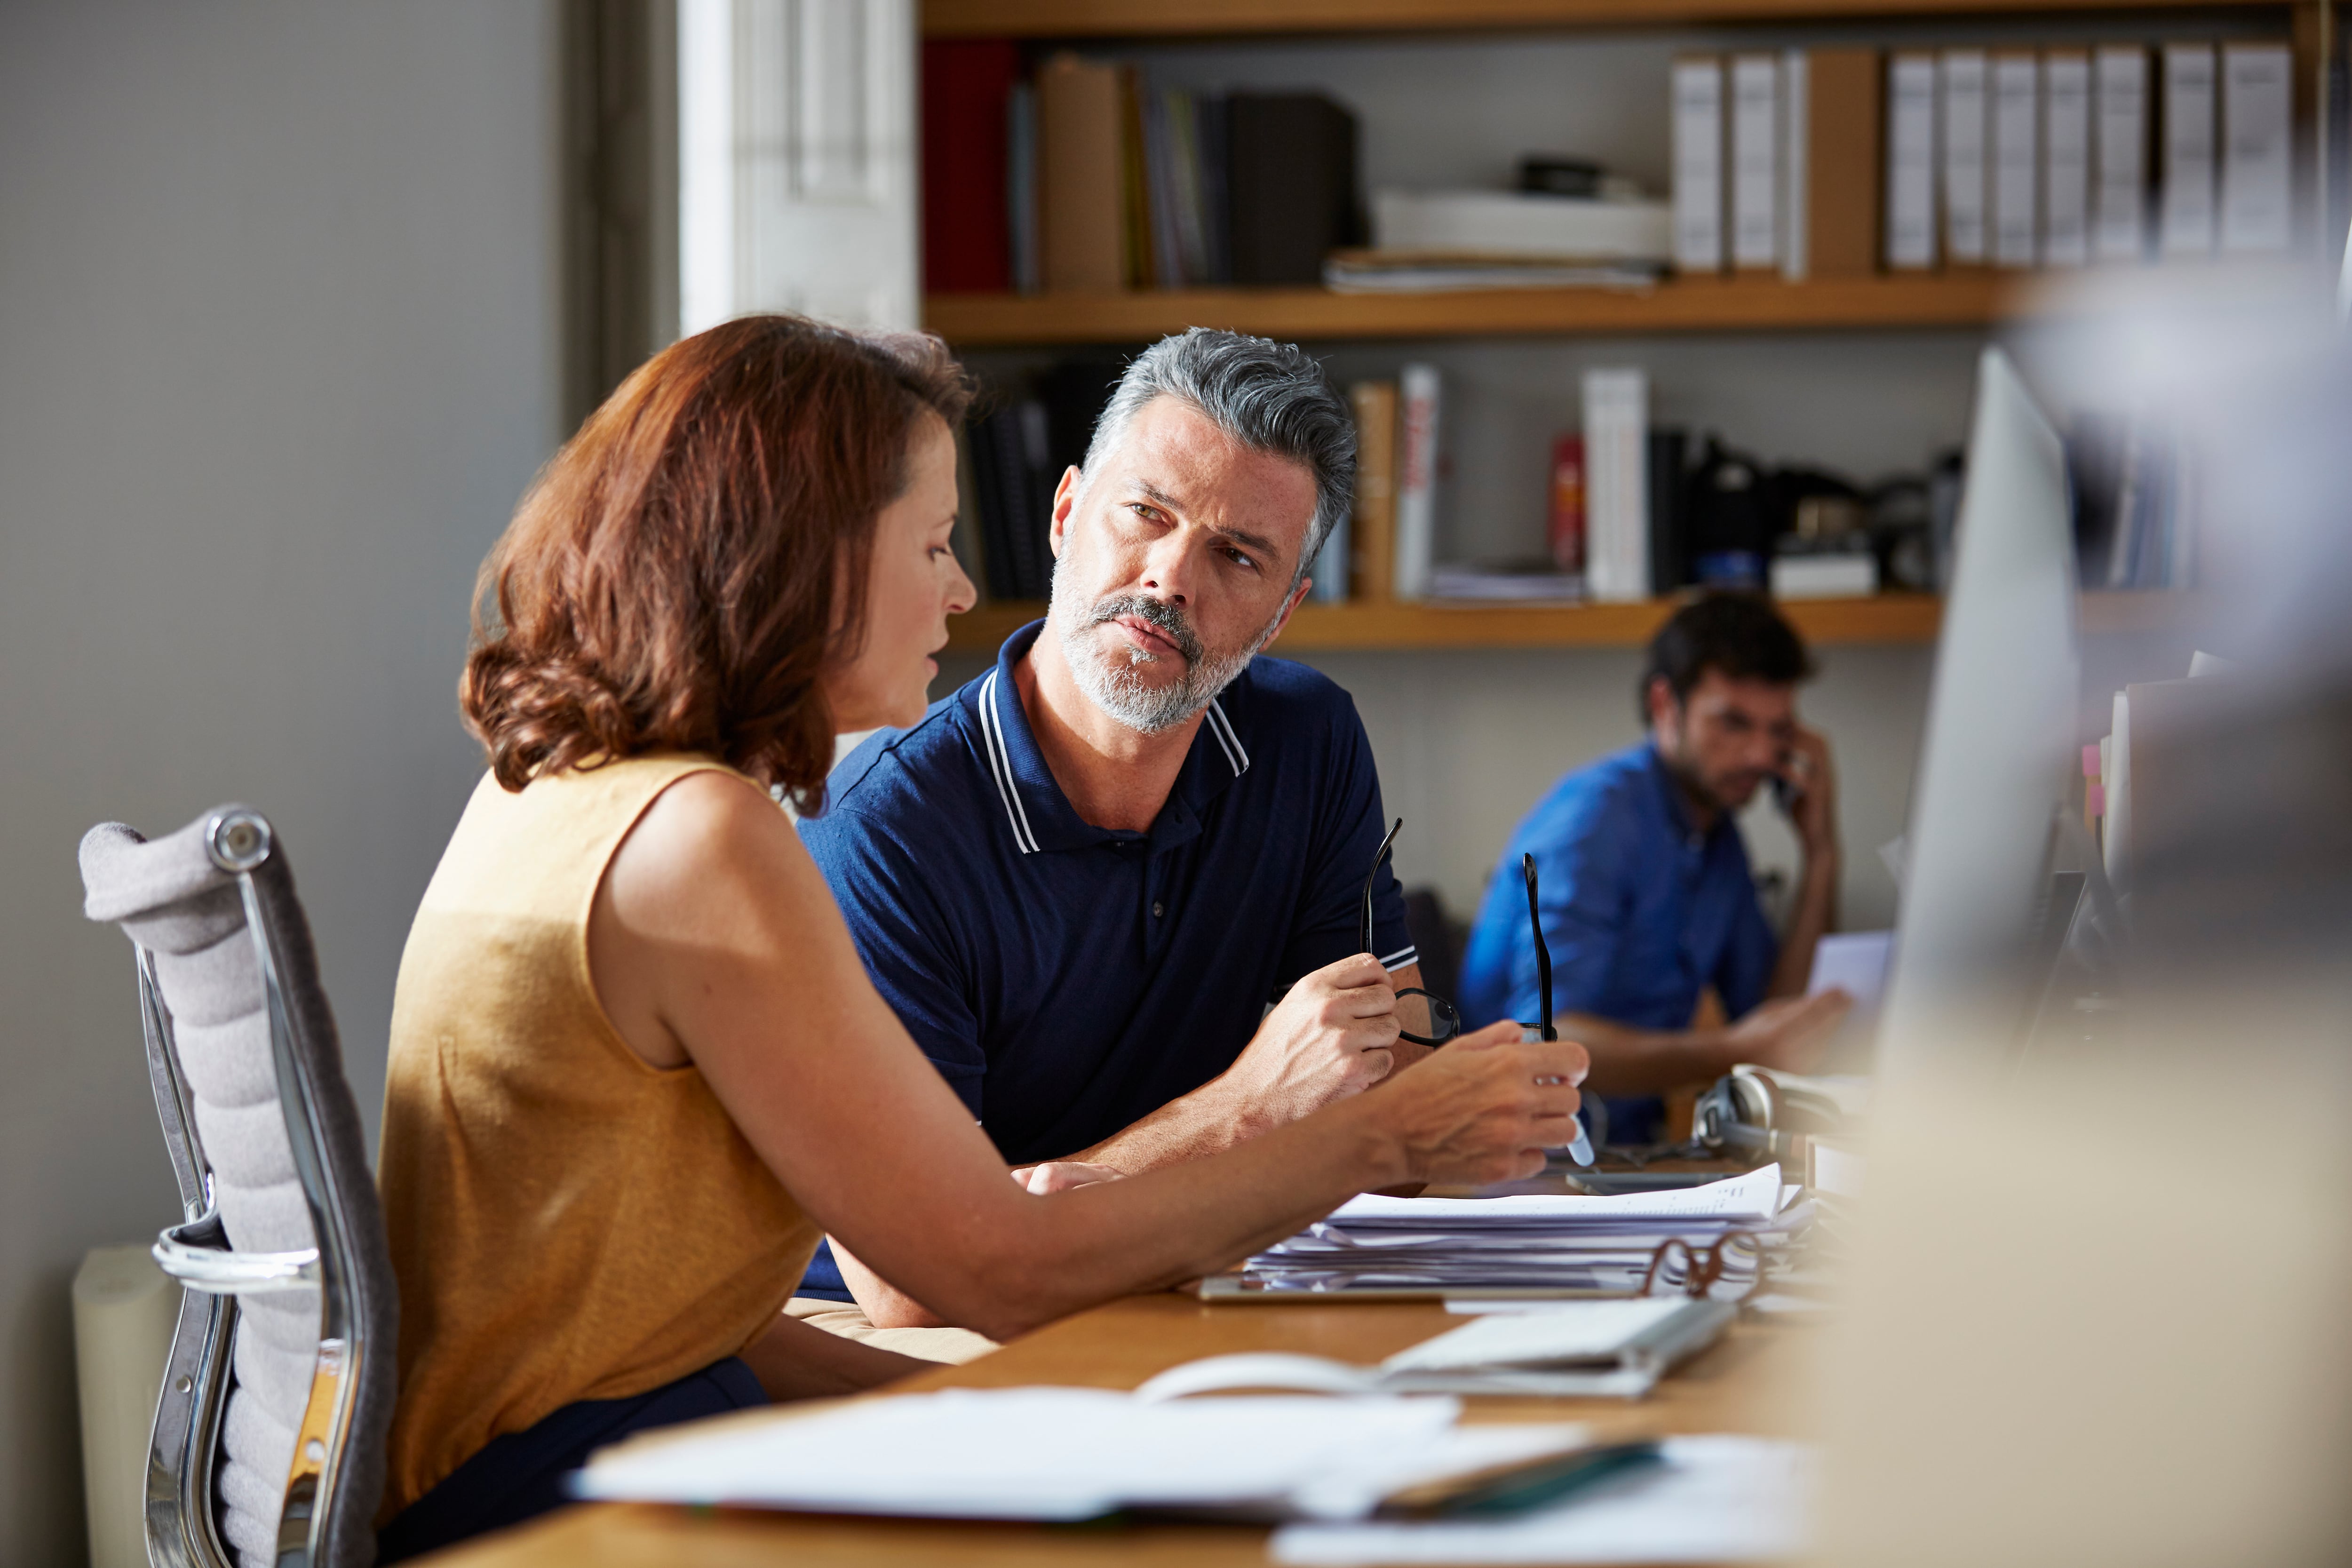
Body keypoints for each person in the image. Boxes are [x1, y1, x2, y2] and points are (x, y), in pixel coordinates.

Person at [371, 315, 1585, 1560]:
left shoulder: (563, 790)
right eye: (935, 543)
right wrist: (1370, 1133)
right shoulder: (705, 839)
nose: (958, 589)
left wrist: (992, 1408)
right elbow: (989, 1269)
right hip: (545, 1506)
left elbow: (660, 1313)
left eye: (1234, 554)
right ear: (809, 557)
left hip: (562, 1447)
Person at [794, 329, 1450, 1332]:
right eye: (1146, 514)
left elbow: (1392, 1089)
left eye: (1236, 556)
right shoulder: (880, 829)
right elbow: (918, 1282)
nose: (1169, 579)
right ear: (1065, 514)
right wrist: (1250, 1111)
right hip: (936, 1347)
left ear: (1280, 615)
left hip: (1198, 1285)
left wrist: (1109, 1179)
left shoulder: (1306, 740)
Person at [1456, 593, 1853, 1147]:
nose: (1762, 756)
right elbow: (1543, 1043)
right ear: (1665, 704)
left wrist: (1820, 852)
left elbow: (1777, 1021)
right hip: (1515, 1162)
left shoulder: (1718, 840)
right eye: (1734, 723)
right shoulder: (1593, 821)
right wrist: (1731, 1052)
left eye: (1779, 730)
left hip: (1623, 1158)